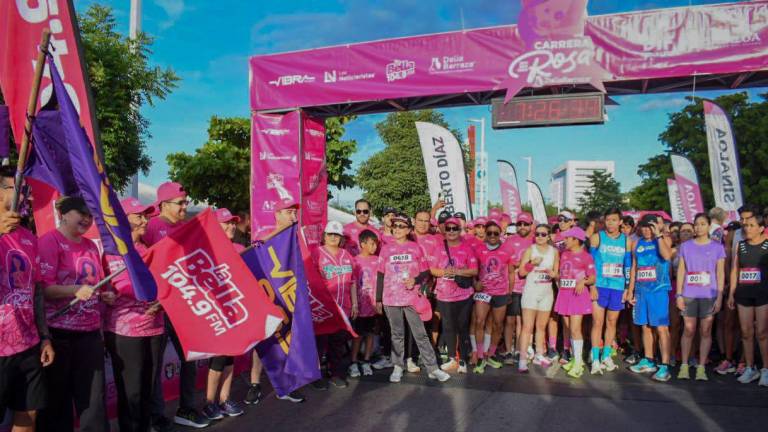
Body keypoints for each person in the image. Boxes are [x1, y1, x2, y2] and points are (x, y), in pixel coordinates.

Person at [38, 196, 113, 432]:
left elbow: (94, 286)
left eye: (91, 215)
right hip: (60, 334)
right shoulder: (50, 241)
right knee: (57, 402)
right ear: (64, 214)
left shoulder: (91, 245)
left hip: (90, 334)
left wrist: (104, 295)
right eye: (82, 213)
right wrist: (74, 290)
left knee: (93, 399)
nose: (87, 219)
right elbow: (44, 290)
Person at [143, 182, 209, 429]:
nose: (185, 206)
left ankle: (187, 408)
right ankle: (157, 415)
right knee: (155, 364)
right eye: (180, 203)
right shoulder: (151, 227)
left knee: (190, 357)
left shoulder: (185, 229)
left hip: (185, 306)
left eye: (185, 202)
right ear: (164, 205)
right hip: (159, 308)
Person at [103, 198, 165, 432]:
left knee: (148, 388)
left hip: (154, 327)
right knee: (132, 392)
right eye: (139, 216)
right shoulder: (115, 250)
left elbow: (167, 282)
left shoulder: (147, 249)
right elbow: (124, 286)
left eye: (146, 216)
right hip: (126, 331)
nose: (144, 221)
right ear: (123, 219)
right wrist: (157, 293)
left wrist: (163, 300)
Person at [0, 167, 54, 432]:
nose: (24, 196)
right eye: (17, 188)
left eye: (26, 191)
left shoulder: (30, 239)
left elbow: (37, 291)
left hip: (27, 344)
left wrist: (44, 336)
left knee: (28, 416)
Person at [375, 213, 450, 383]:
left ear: (408, 229)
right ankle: (398, 366)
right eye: (395, 226)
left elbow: (425, 272)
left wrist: (415, 280)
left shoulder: (416, 248)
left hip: (411, 298)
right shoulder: (386, 249)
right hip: (390, 299)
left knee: (421, 334)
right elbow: (380, 274)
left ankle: (433, 368)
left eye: (401, 226)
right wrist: (378, 299)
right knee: (397, 334)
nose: (397, 229)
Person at [251, 196, 305, 403]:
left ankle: (289, 383)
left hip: (289, 294)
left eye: (294, 212)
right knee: (264, 340)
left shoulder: (296, 238)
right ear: (277, 214)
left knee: (289, 337)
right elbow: (256, 254)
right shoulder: (265, 235)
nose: (293, 216)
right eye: (288, 212)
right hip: (268, 295)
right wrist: (281, 234)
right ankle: (255, 384)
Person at [202, 209, 246, 420]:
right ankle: (209, 403)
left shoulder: (240, 249)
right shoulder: (206, 251)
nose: (231, 226)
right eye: (226, 223)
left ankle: (224, 399)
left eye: (233, 223)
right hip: (217, 314)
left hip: (236, 312)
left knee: (230, 358)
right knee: (218, 359)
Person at [676, 213, 726, 381]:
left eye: (703, 224)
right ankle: (684, 365)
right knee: (689, 330)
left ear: (708, 226)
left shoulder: (718, 248)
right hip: (689, 294)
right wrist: (679, 295)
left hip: (709, 295)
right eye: (696, 224)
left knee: (705, 331)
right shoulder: (686, 246)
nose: (699, 227)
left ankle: (701, 367)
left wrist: (719, 297)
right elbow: (681, 271)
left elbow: (720, 274)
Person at [627, 214, 674, 382]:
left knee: (661, 328)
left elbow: (667, 256)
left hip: (658, 290)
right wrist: (630, 291)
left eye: (650, 227)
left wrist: (659, 235)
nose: (647, 230)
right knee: (645, 326)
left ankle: (665, 365)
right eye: (644, 227)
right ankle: (648, 359)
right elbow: (634, 268)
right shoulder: (636, 243)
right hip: (641, 291)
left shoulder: (663, 240)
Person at [428, 217, 478, 374]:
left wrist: (457, 271)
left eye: (454, 228)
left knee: (462, 327)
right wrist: (444, 272)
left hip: (464, 295)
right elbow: (432, 269)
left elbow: (474, 270)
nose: (451, 231)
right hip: (444, 295)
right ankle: (451, 359)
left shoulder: (467, 248)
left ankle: (462, 360)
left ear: (459, 230)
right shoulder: (438, 248)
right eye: (448, 228)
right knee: (448, 327)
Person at [312, 220, 357, 389]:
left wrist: (354, 304)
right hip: (324, 308)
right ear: (324, 236)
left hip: (343, 307)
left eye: (336, 235)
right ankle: (315, 375)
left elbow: (352, 281)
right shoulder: (317, 253)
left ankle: (335, 373)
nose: (333, 237)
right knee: (320, 342)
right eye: (330, 234)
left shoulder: (347, 256)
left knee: (337, 342)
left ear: (341, 238)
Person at [589, 208, 631, 375]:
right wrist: (591, 286)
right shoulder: (597, 237)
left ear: (620, 222)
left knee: (612, 322)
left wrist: (627, 288)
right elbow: (590, 264)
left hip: (618, 286)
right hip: (600, 285)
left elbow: (628, 265)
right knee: (597, 323)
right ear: (604, 221)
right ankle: (595, 358)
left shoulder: (627, 241)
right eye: (608, 220)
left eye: (614, 220)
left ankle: (606, 355)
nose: (611, 223)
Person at [728, 212, 768, 386]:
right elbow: (735, 270)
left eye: (751, 225)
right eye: (745, 225)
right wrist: (731, 293)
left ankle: (765, 369)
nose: (747, 228)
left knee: (762, 332)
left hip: (763, 293)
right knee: (746, 332)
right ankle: (750, 368)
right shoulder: (740, 246)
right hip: (743, 293)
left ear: (761, 229)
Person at [472, 219, 513, 373]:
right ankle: (481, 356)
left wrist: (510, 291)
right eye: (489, 233)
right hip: (483, 292)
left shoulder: (506, 250)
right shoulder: (478, 249)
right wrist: (475, 282)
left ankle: (491, 354)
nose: (492, 235)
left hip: (501, 292)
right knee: (479, 321)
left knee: (498, 325)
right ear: (485, 234)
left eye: (496, 233)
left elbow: (510, 272)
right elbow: (472, 269)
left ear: (500, 234)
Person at [517, 224, 559, 372]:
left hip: (547, 292)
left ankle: (539, 354)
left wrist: (554, 274)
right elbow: (521, 272)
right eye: (537, 234)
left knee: (541, 327)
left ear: (548, 236)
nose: (539, 237)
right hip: (531, 291)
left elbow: (557, 273)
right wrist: (531, 264)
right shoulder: (530, 250)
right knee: (527, 327)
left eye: (543, 234)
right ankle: (522, 359)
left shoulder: (554, 252)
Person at [556, 227, 595, 378]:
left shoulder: (586, 257)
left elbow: (592, 277)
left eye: (567, 238)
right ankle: (575, 358)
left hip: (577, 296)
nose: (564, 240)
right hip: (564, 294)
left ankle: (578, 363)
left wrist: (583, 281)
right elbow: (562, 273)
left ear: (576, 240)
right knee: (568, 327)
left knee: (575, 329)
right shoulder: (564, 254)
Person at [500, 212, 534, 364]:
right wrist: (522, 264)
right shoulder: (510, 241)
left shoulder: (536, 240)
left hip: (531, 288)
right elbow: (505, 262)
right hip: (513, 287)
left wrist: (519, 264)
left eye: (525, 224)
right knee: (510, 321)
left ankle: (520, 349)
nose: (522, 227)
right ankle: (508, 351)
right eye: (520, 224)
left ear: (531, 225)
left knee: (523, 322)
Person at [349, 230, 380, 378]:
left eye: (376, 244)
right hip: (359, 307)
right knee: (357, 335)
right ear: (362, 244)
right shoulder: (354, 261)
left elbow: (381, 282)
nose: (375, 246)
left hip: (373, 307)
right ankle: (353, 361)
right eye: (372, 243)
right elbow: (352, 283)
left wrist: (378, 302)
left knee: (370, 334)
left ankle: (366, 360)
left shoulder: (377, 260)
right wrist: (354, 304)